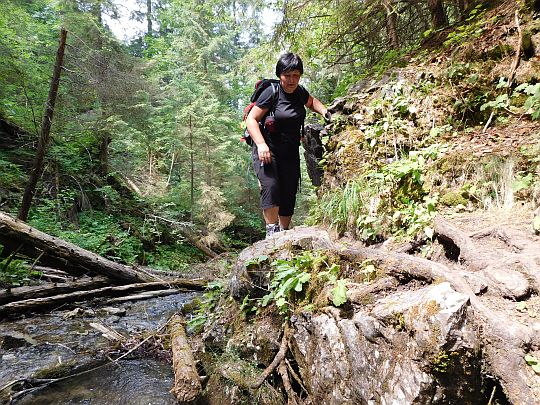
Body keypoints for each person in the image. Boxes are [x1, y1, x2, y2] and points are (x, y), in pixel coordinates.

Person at [246, 52, 330, 238]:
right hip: (267, 149)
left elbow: (312, 102)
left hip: (290, 150)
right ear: (280, 75)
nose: (292, 80)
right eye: (287, 75)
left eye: (296, 75)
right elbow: (252, 119)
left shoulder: (299, 92)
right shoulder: (272, 93)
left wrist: (325, 111)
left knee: (289, 189)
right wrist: (261, 145)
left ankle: (284, 232)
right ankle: (271, 234)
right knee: (271, 186)